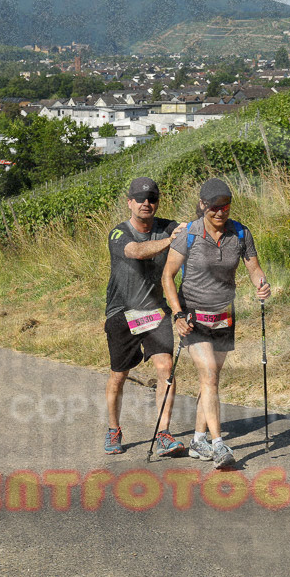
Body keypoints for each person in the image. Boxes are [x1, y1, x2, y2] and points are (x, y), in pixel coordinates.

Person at [161, 178, 270, 469]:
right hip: (193, 317)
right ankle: (219, 445)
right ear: (202, 205)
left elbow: (254, 268)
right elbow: (167, 276)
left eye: (225, 207)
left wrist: (262, 284)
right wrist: (177, 313)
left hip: (224, 316)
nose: (220, 213)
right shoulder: (190, 234)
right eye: (213, 207)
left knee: (211, 381)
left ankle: (198, 440)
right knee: (208, 375)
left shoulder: (241, 233)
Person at [103, 177, 186, 456]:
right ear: (129, 202)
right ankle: (114, 430)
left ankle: (163, 433)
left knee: (166, 368)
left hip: (154, 311)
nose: (146, 203)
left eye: (152, 199)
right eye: (140, 199)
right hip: (122, 313)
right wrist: (170, 241)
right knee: (119, 376)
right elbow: (136, 252)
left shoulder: (168, 227)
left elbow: (191, 233)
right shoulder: (119, 233)